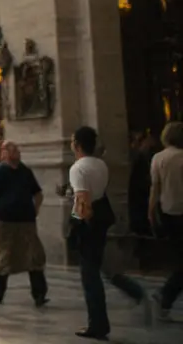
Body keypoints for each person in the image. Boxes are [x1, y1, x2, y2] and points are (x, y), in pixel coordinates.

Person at [0, 140, 48, 306]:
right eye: (12, 150)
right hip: (5, 220)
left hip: (26, 220)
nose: (17, 153)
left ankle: (39, 294)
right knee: (4, 257)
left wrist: (35, 209)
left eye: (17, 150)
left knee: (34, 257)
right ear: (3, 153)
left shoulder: (25, 171)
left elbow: (38, 193)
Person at [69, 126, 116, 340]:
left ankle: (97, 324)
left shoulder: (78, 168)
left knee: (90, 277)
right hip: (101, 221)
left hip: (89, 226)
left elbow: (83, 202)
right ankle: (99, 322)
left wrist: (81, 223)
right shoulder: (101, 164)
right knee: (95, 271)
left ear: (77, 145)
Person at [150, 121, 183, 321]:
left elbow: (155, 189)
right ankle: (165, 295)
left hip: (167, 212)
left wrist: (150, 213)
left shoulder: (158, 158)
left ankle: (165, 297)